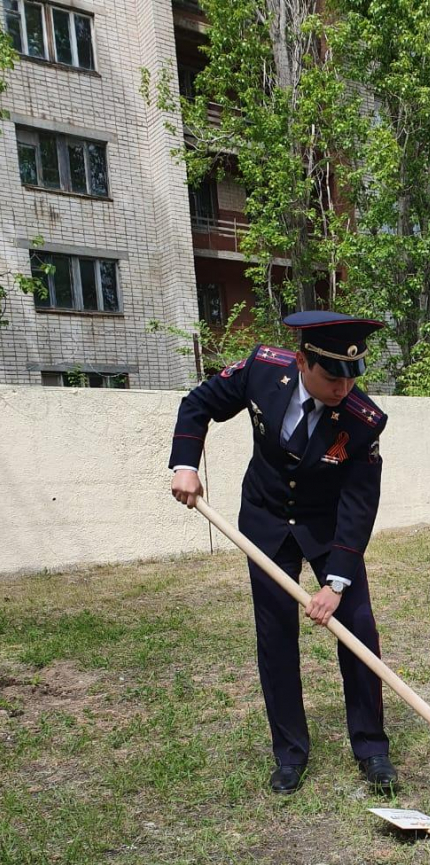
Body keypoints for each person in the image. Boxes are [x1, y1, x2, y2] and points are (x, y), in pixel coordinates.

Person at [169, 312, 398, 796]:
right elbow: (198, 403)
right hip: (266, 521)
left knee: (358, 627)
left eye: (352, 377)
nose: (343, 388)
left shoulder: (363, 420)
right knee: (276, 637)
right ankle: (289, 753)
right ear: (301, 362)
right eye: (332, 376)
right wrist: (186, 464)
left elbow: (360, 505)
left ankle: (372, 748)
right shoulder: (261, 370)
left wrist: (336, 583)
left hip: (327, 528)